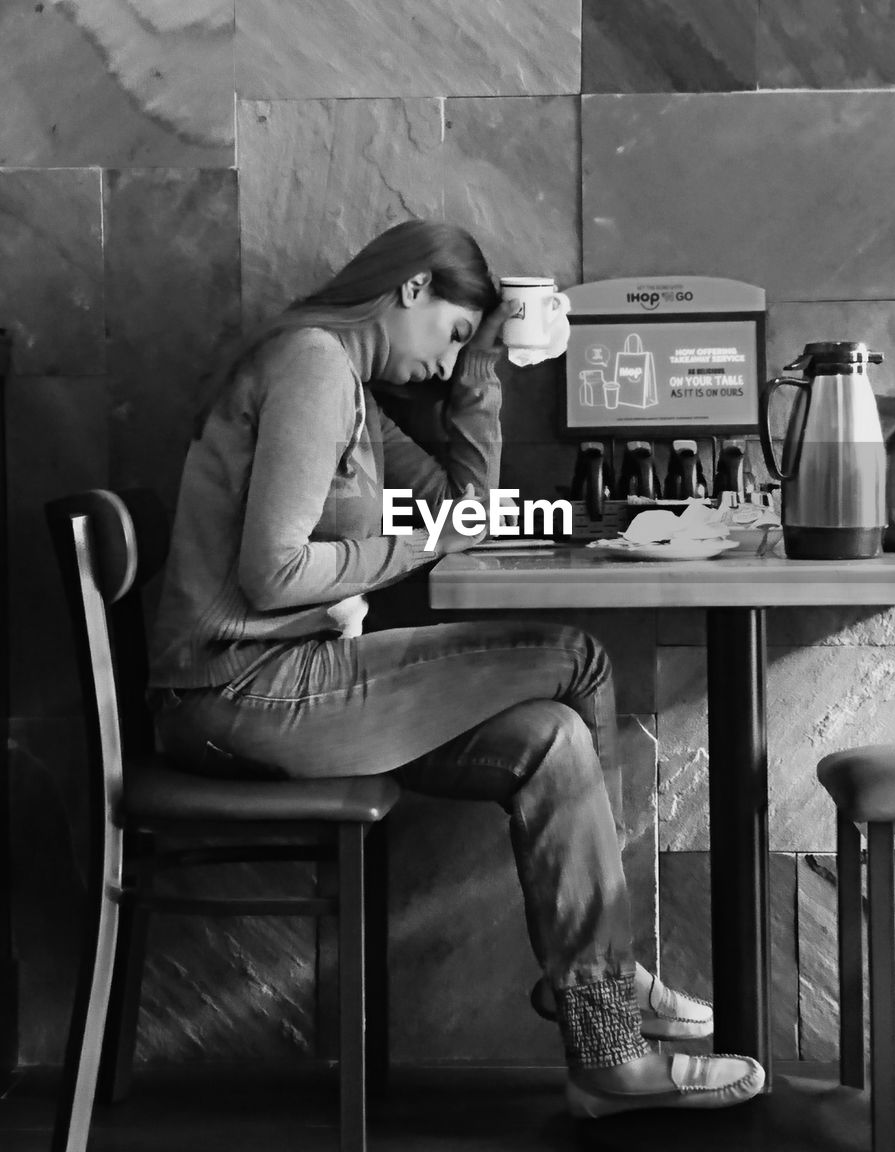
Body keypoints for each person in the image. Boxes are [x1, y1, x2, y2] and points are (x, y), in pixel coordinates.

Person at [148, 218, 764, 1117]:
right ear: (410, 289)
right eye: (448, 334)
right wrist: (406, 548)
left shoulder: (347, 386)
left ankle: (600, 1045)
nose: (445, 362)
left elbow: (462, 508)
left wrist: (485, 372)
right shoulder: (313, 366)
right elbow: (272, 571)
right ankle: (601, 988)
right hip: (240, 691)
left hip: (284, 684)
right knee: (575, 658)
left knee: (553, 741)